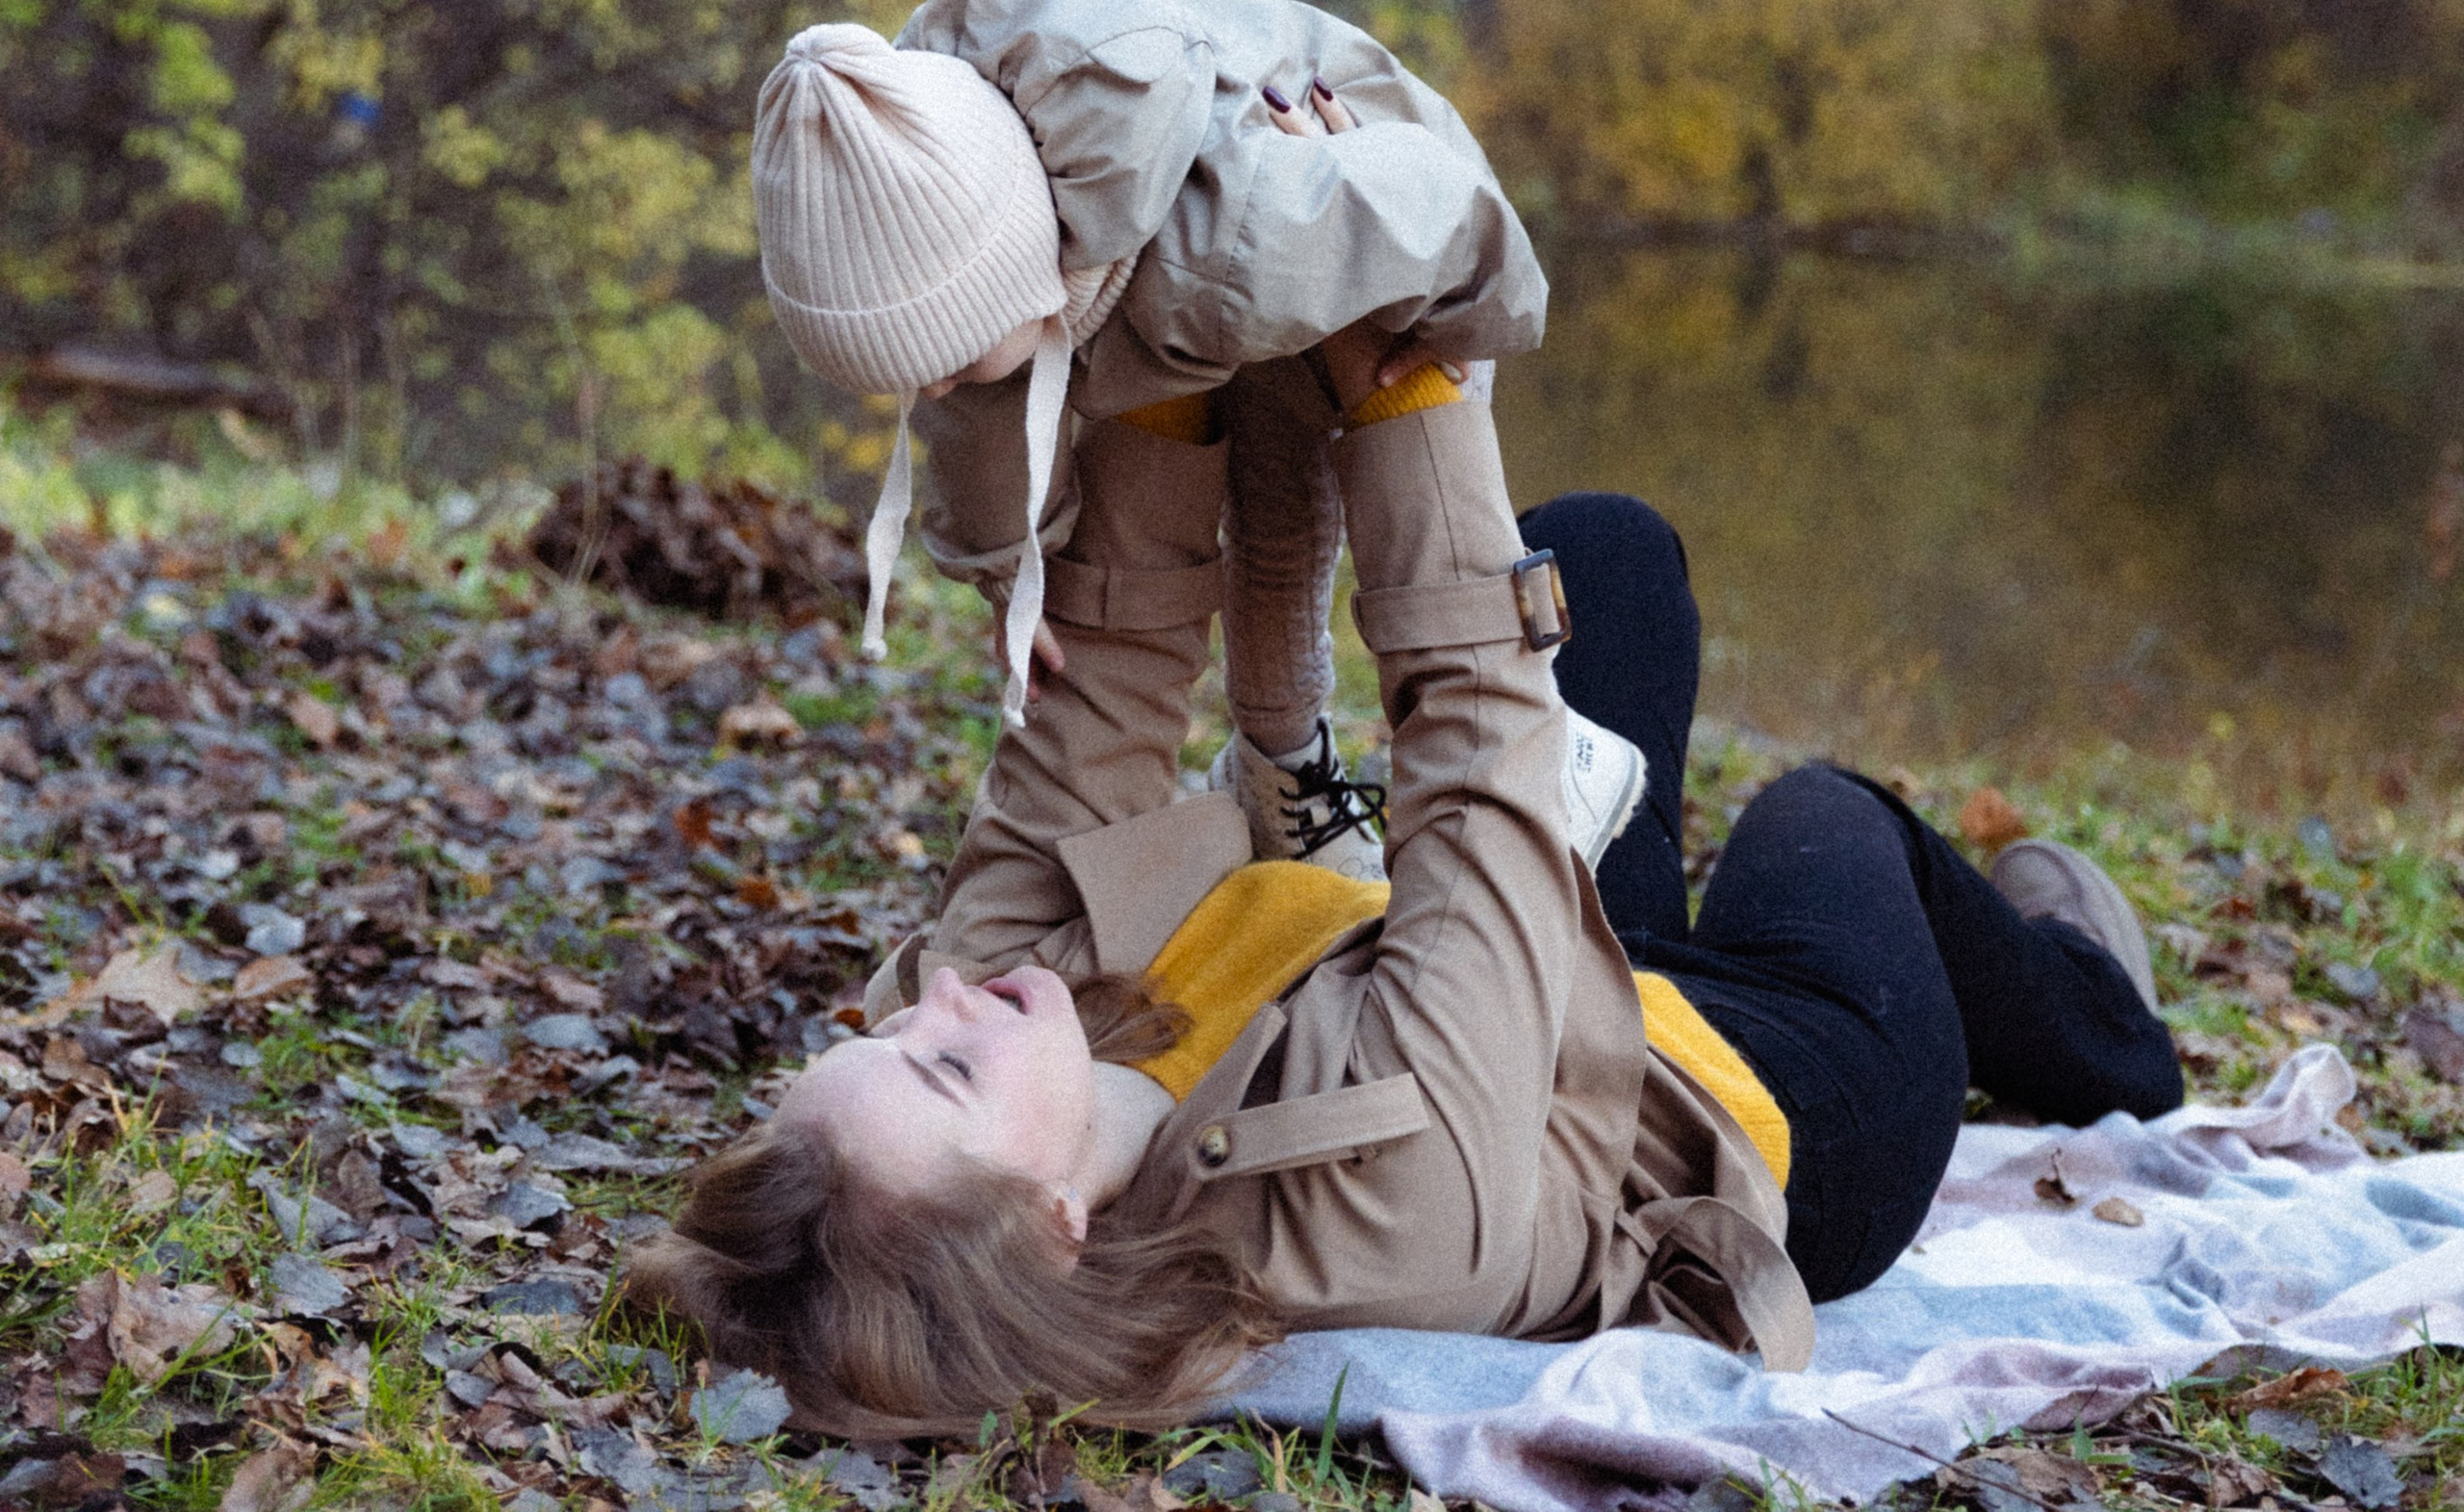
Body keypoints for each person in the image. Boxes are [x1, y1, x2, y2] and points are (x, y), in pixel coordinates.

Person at [629, 337, 2182, 1431]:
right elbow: (1485, 790)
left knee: (1607, 557)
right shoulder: (1368, 1208)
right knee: (1818, 814)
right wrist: (1409, 393)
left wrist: (1168, 360)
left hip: (1555, 1002)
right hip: (1775, 1102)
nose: (942, 996)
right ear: (1052, 1231)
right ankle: (2101, 1017)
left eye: (887, 1028)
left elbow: (1088, 718)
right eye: (945, 1060)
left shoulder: (1000, 1041)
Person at [753, 0, 1635, 874]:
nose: (929, 383)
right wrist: (1014, 577)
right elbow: (974, 433)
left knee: (1346, 483)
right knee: (1223, 483)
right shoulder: (971, 281)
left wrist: (1460, 320)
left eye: (946, 352)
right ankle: (1277, 766)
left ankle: (1525, 735)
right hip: (1172, 266)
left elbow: (1446, 210)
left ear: (1021, 277)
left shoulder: (1243, 251)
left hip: (1376, 209)